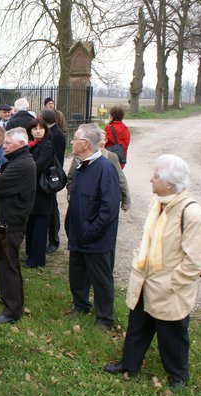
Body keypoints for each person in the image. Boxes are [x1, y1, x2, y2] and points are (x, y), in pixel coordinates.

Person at [104, 155, 201, 392]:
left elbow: (197, 258)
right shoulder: (159, 203)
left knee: (172, 334)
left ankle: (178, 376)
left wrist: (174, 282)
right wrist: (138, 261)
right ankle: (129, 365)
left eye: (156, 176)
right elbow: (148, 238)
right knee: (137, 326)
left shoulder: (192, 214)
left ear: (170, 184)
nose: (150, 179)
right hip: (145, 280)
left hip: (169, 288)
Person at [65, 123, 120, 330]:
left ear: (86, 144)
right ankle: (80, 306)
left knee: (101, 278)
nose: (72, 142)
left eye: (75, 139)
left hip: (96, 237)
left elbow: (109, 207)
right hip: (79, 233)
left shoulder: (104, 169)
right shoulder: (81, 165)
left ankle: (104, 318)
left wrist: (92, 230)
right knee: (77, 273)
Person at [0, 128, 36, 324]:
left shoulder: (22, 165)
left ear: (21, 144)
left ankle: (11, 310)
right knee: (7, 263)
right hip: (7, 221)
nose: (4, 146)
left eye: (8, 143)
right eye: (4, 143)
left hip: (11, 223)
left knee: (8, 265)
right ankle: (10, 298)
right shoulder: (17, 160)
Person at [25, 117, 55, 268]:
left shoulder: (46, 145)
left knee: (40, 226)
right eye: (35, 129)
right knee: (30, 223)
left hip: (41, 191)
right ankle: (30, 253)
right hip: (30, 190)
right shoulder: (29, 145)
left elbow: (40, 165)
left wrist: (23, 169)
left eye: (41, 128)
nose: (38, 131)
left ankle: (36, 259)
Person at [41, 108, 66, 254]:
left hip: (51, 177)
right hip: (47, 175)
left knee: (52, 209)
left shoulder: (57, 135)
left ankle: (53, 240)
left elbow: (58, 160)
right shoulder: (50, 132)